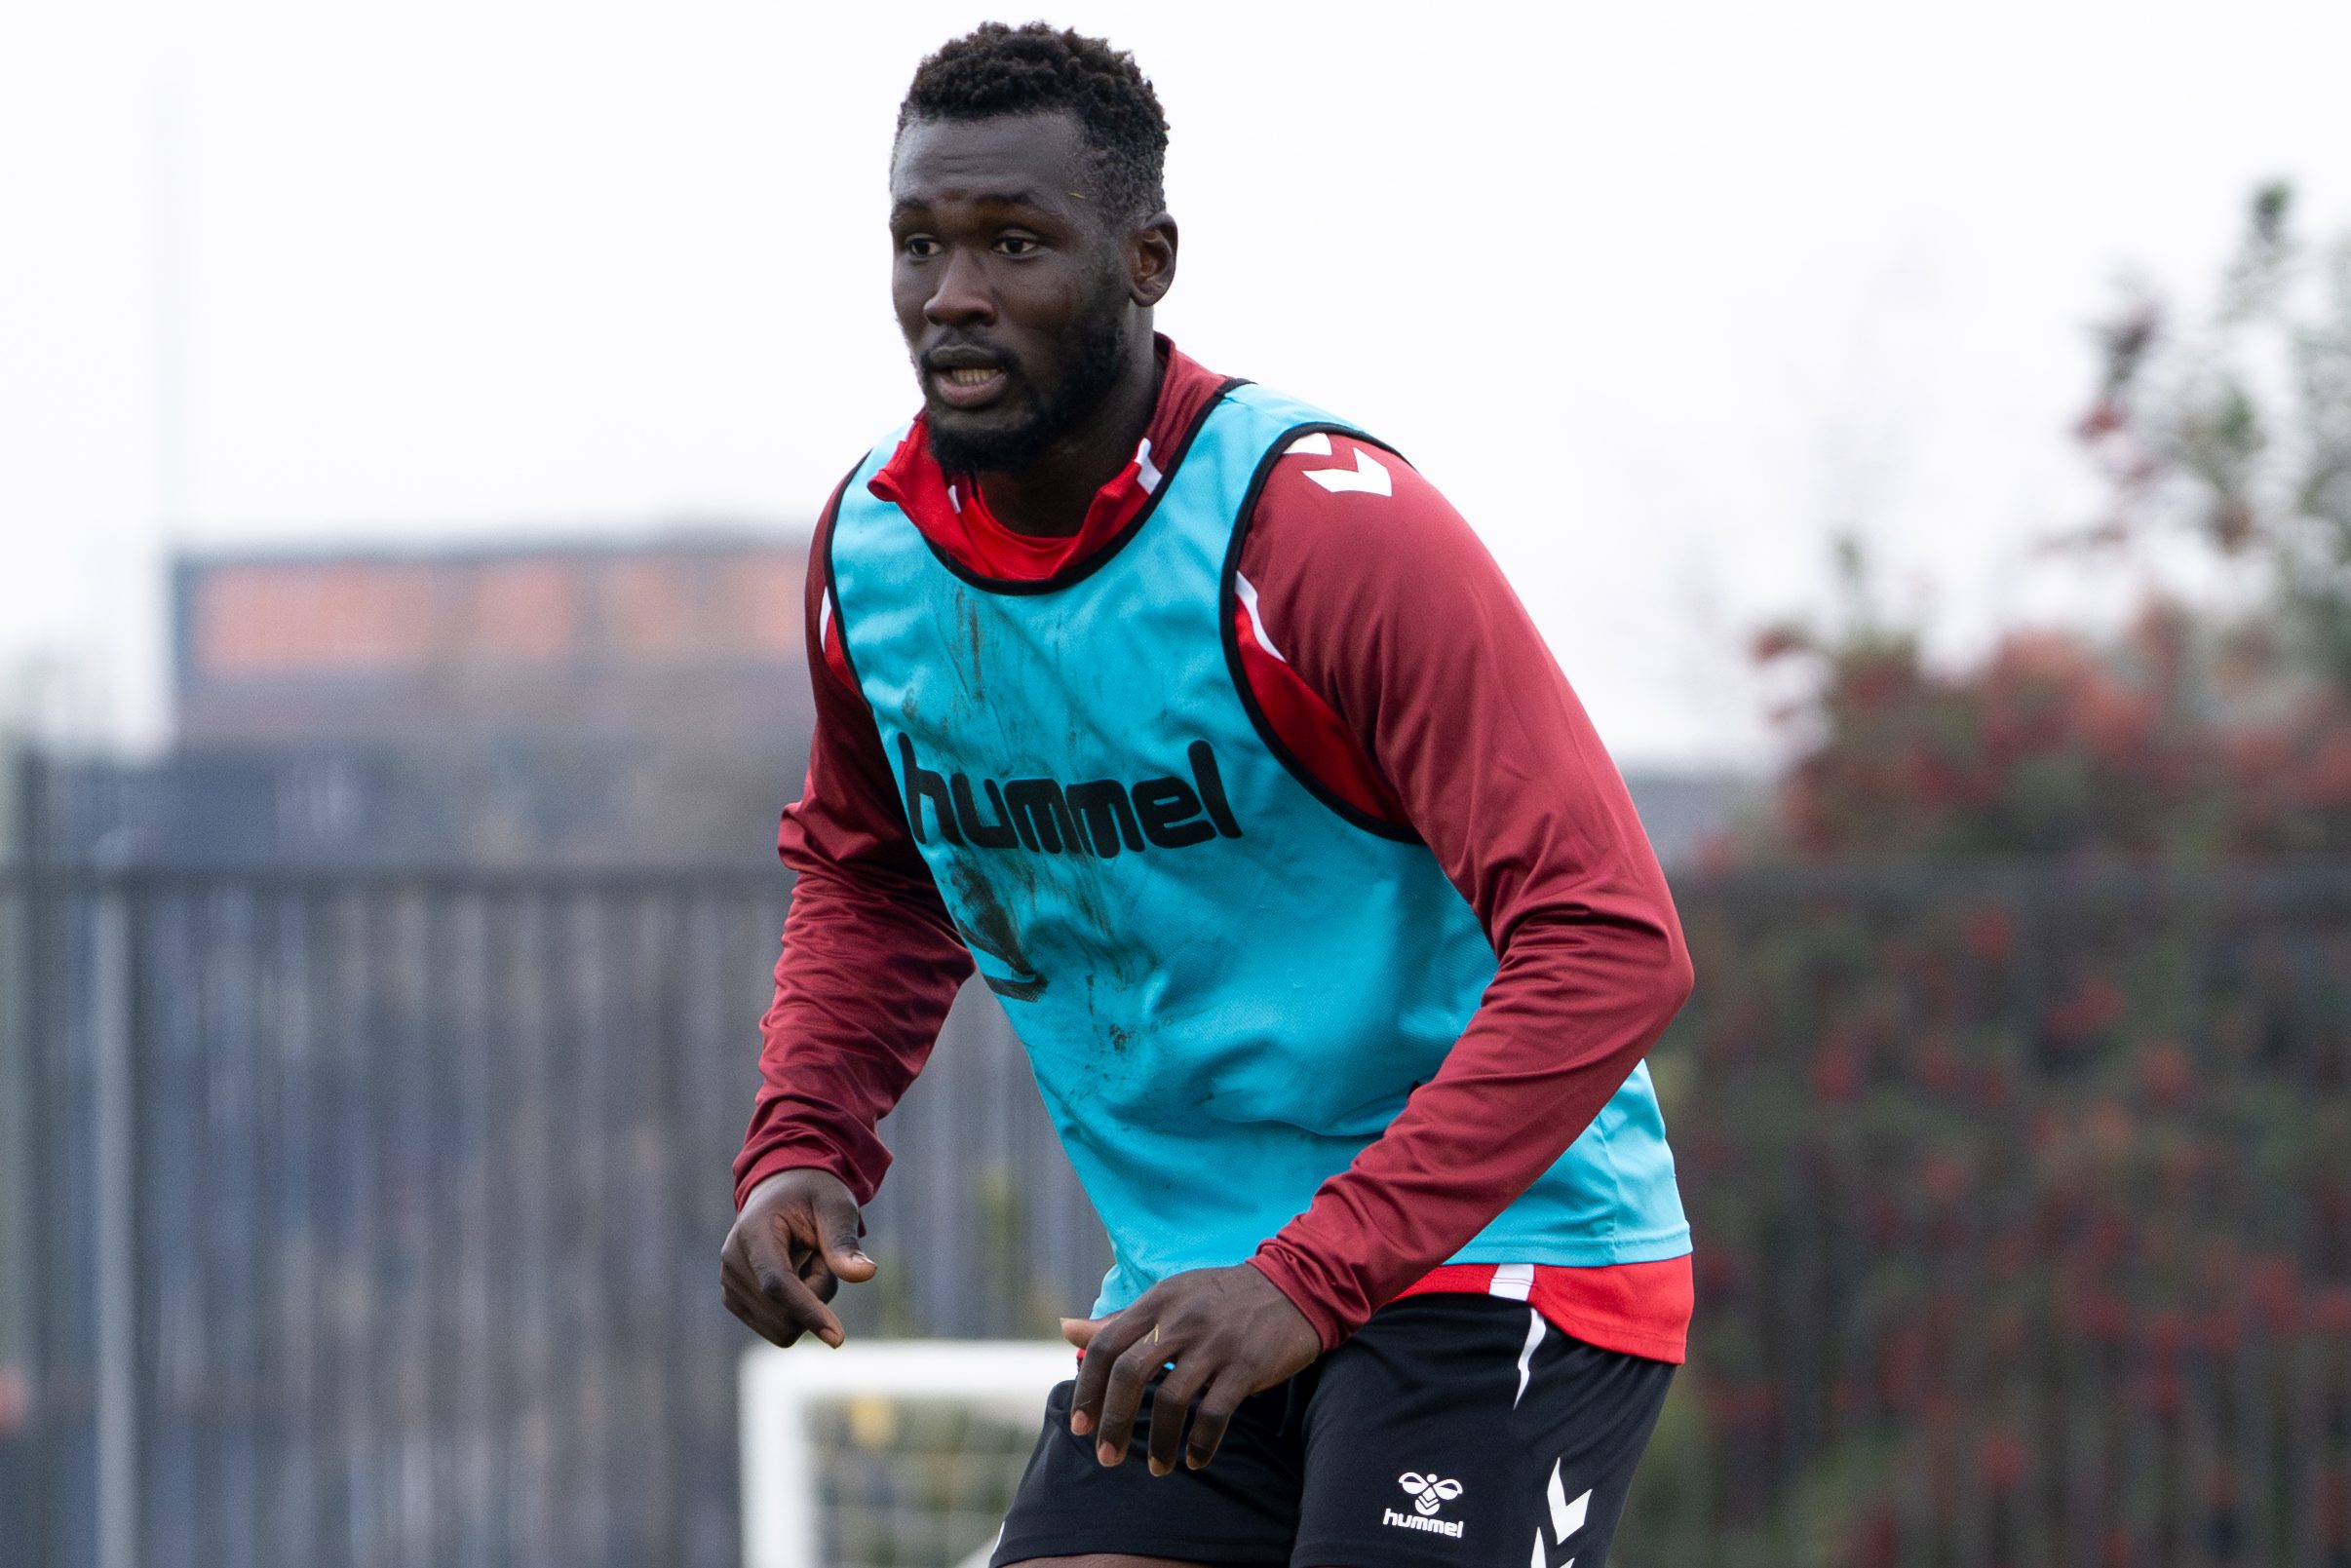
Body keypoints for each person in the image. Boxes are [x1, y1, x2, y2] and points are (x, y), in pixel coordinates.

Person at [720, 23, 1695, 1567]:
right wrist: (804, 1137)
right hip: (1195, 1286)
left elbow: (1612, 940)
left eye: (1013, 243)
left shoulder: (1320, 537)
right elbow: (877, 874)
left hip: (1497, 1257)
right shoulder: (876, 558)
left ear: (1146, 260)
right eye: (918, 244)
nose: (953, 294)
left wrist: (1313, 1275)